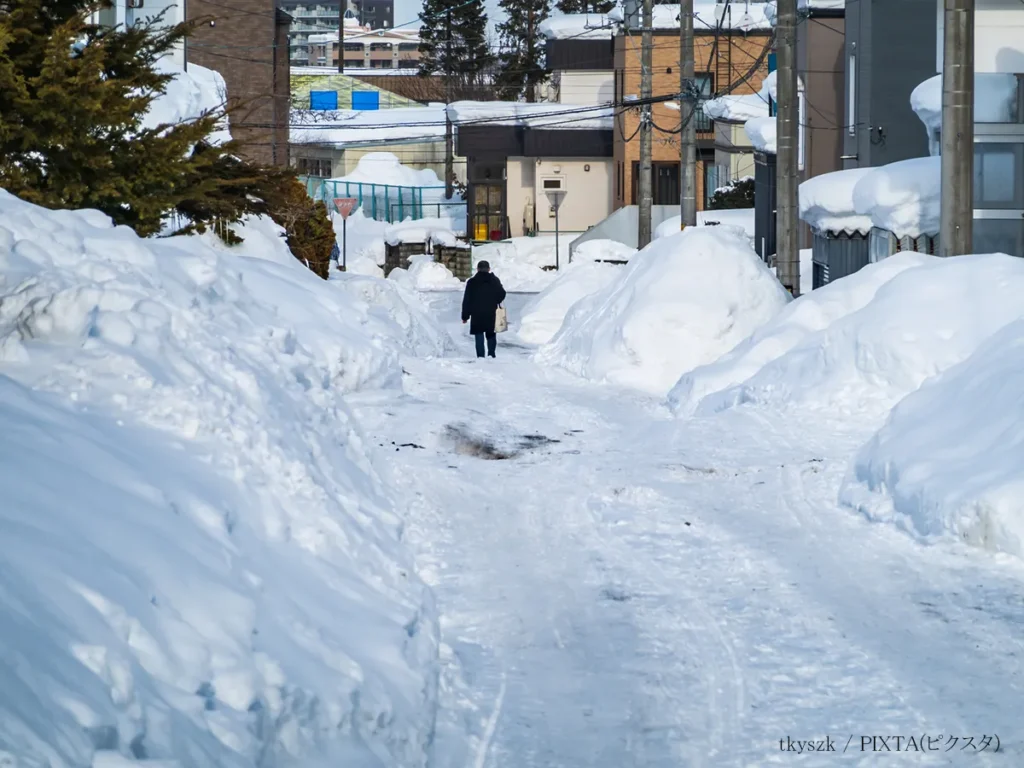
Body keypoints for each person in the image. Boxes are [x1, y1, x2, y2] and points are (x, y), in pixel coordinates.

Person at [461, 260, 507, 358]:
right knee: (491, 334)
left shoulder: (472, 282)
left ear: (477, 269)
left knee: (479, 334)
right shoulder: (494, 280)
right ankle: (491, 354)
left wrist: (465, 316)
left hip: (476, 314)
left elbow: (467, 300)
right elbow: (502, 294)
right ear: (489, 269)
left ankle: (480, 357)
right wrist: (496, 300)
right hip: (491, 312)